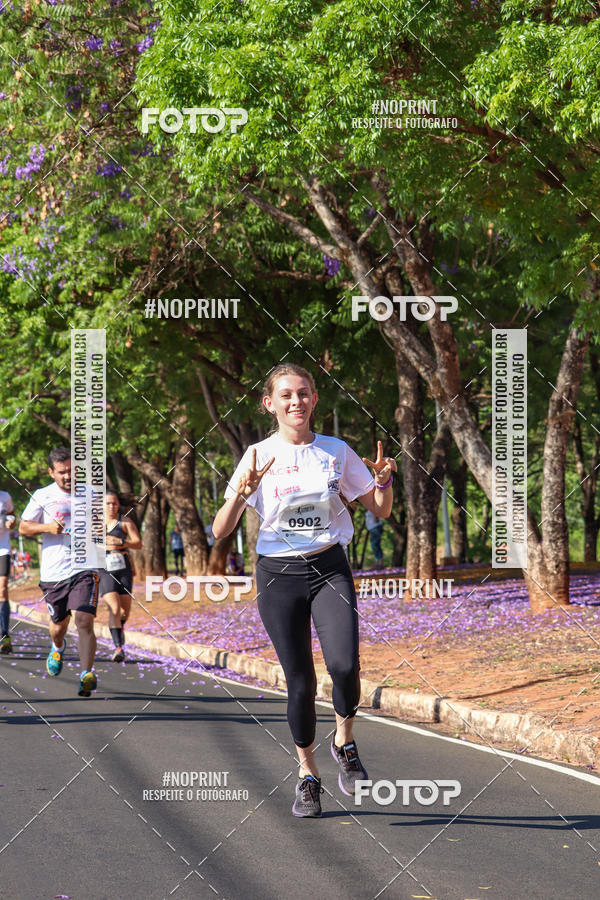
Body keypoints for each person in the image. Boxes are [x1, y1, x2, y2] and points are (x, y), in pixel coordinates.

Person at [212, 363, 396, 818]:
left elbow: (380, 509)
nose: (297, 401)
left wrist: (385, 480)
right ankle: (307, 776)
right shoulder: (256, 455)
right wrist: (241, 494)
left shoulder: (335, 451)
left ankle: (345, 742)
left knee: (345, 664)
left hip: (329, 567)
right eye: (287, 395)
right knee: (300, 682)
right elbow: (220, 529)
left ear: (315, 399)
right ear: (269, 403)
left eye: (304, 393)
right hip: (278, 576)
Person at [19, 447, 100, 697]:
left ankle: (86, 673)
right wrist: (47, 527)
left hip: (84, 568)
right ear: (51, 472)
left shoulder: (91, 494)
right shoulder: (42, 495)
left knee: (84, 620)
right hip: (54, 573)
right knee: (58, 625)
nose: (68, 476)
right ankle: (57, 646)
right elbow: (23, 527)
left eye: (72, 471)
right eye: (62, 472)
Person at [99, 490, 141, 662]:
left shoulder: (125, 522)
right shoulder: (95, 524)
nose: (111, 506)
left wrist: (121, 542)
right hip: (104, 569)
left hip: (123, 568)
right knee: (114, 609)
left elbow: (138, 543)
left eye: (114, 503)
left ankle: (118, 629)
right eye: (108, 503)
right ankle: (118, 647)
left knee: (124, 612)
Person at [0, 491, 15, 654]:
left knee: (2, 589)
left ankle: (4, 635)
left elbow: (11, 515)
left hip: (2, 549)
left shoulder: (5, 497)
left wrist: (11, 522)